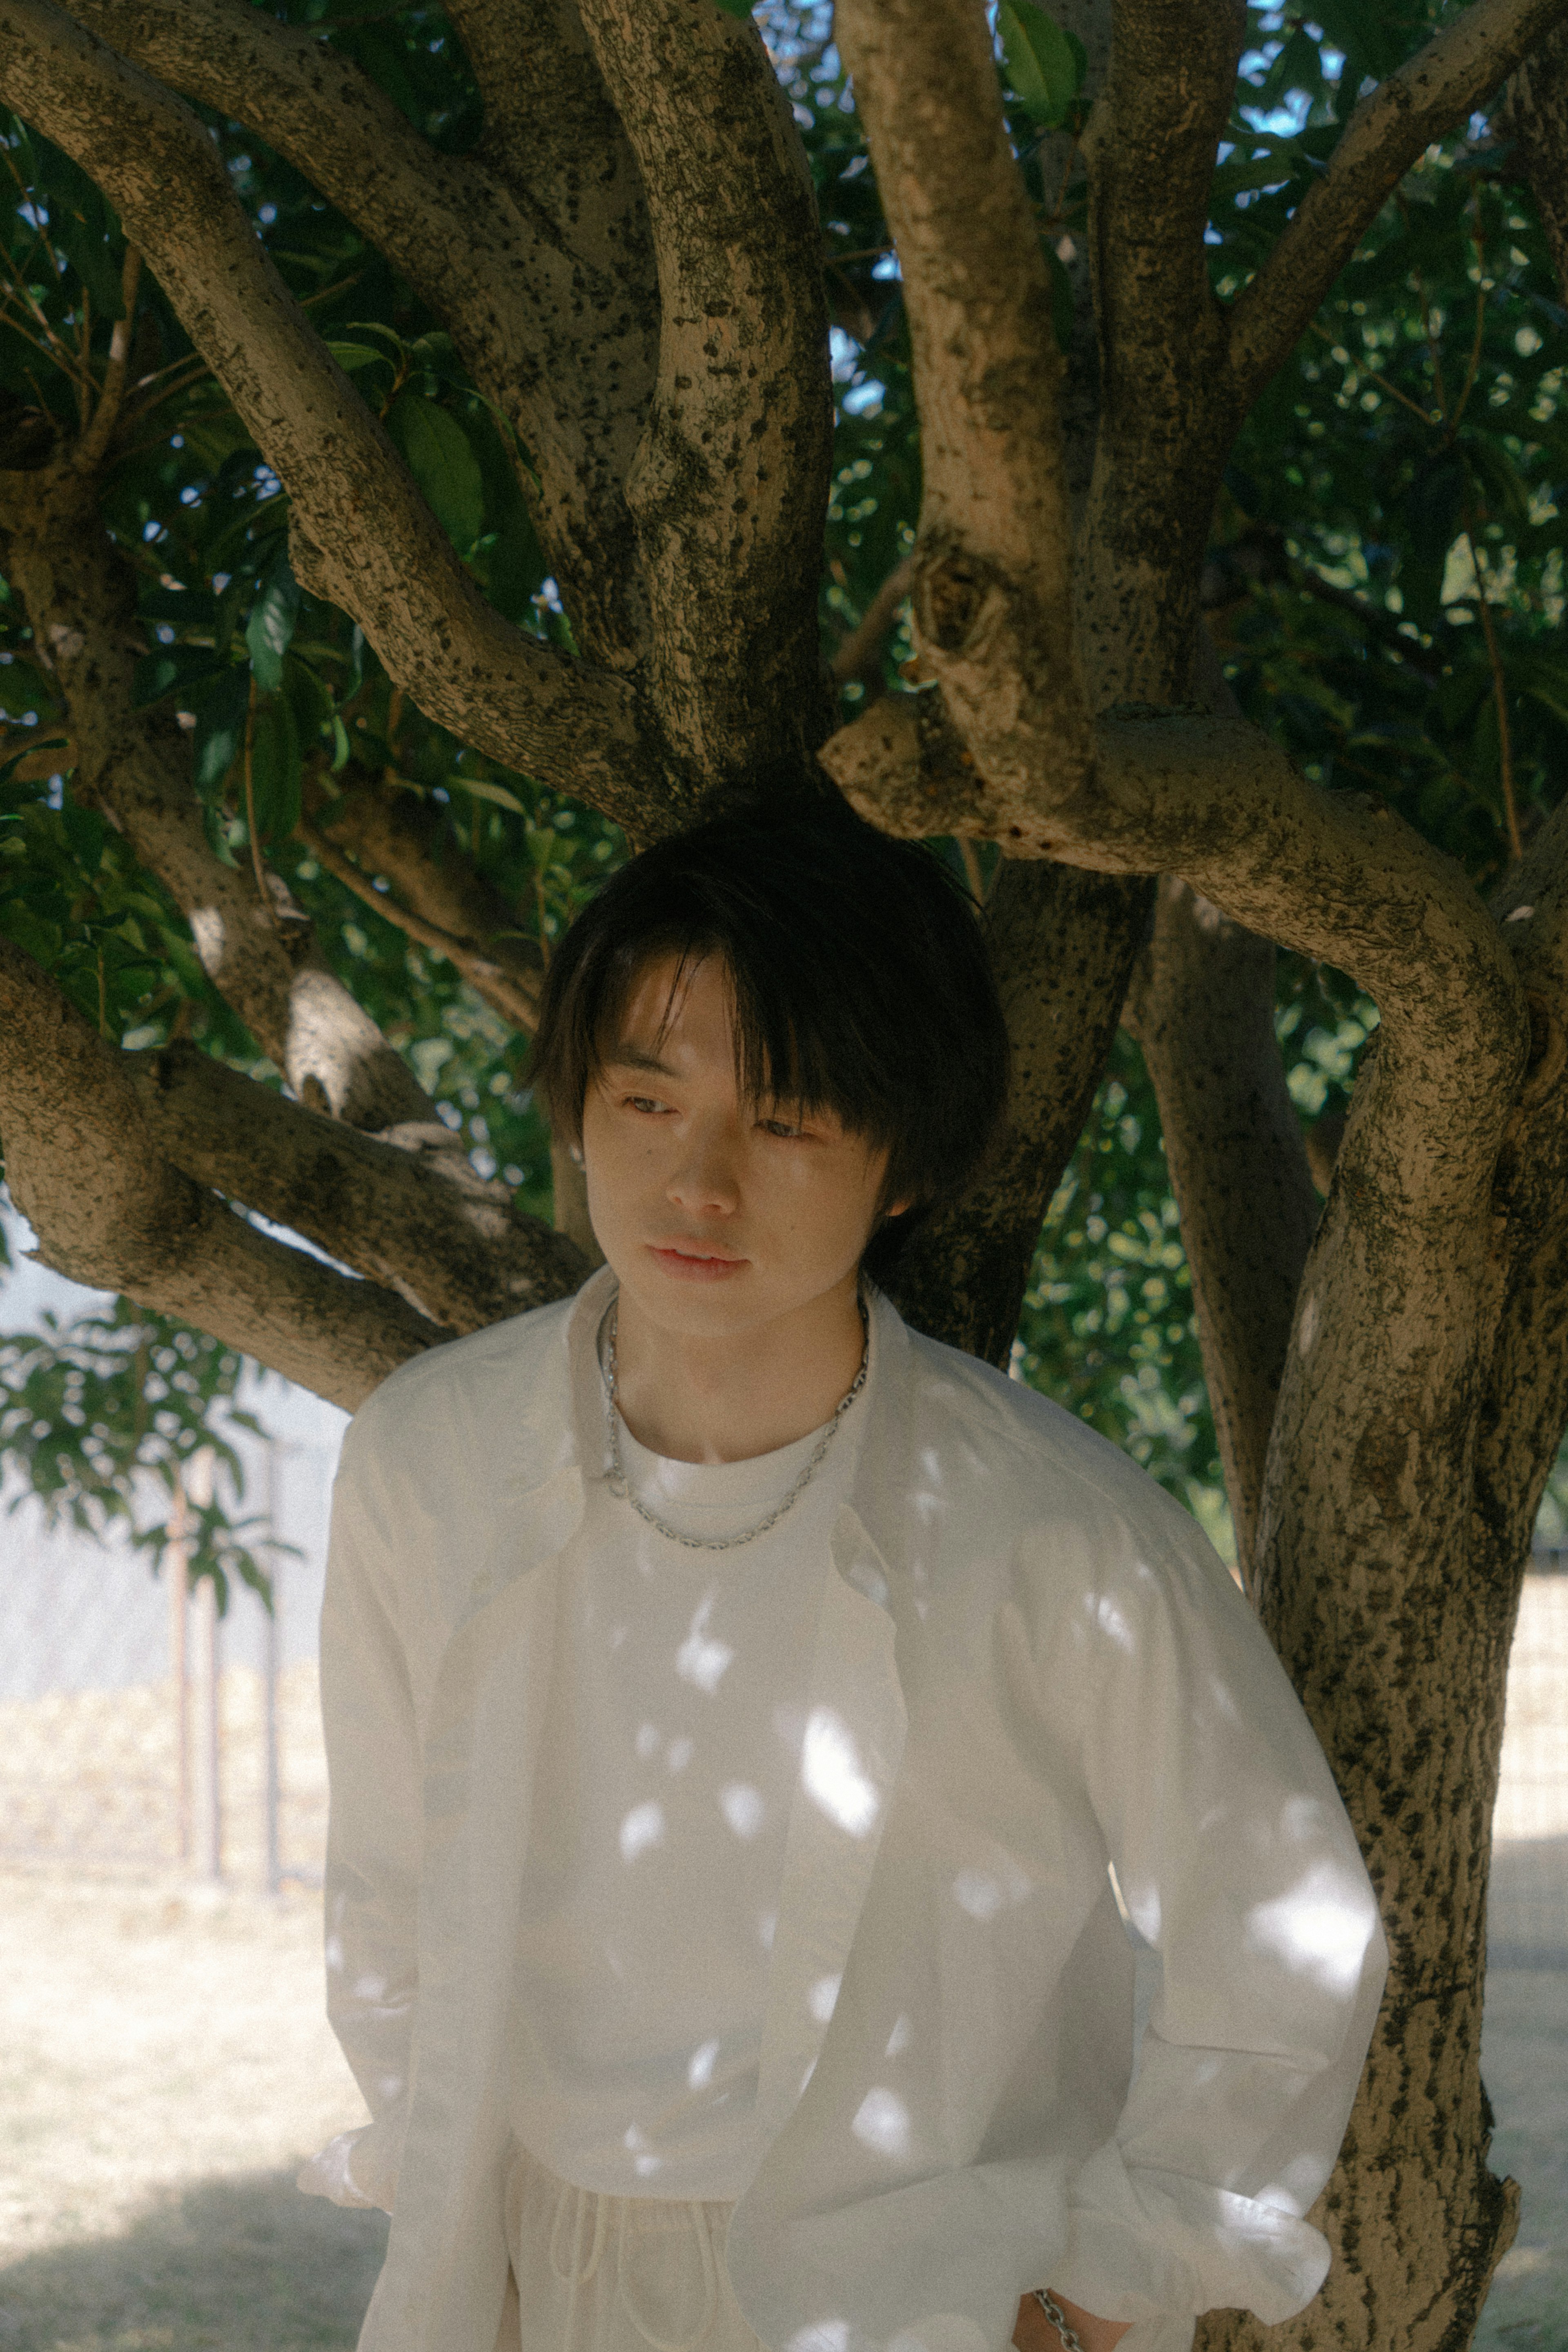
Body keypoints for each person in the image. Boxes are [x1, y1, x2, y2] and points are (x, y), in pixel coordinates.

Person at [300, 804, 1387, 2352]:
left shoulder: (1049, 1531)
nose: (702, 1181)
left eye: (790, 1120)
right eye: (646, 1098)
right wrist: (451, 2201)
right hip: (531, 2268)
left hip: (922, 2282)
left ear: (904, 1166)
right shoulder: (432, 1461)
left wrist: (1117, 2273)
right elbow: (388, 1892)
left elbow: (1279, 1921)